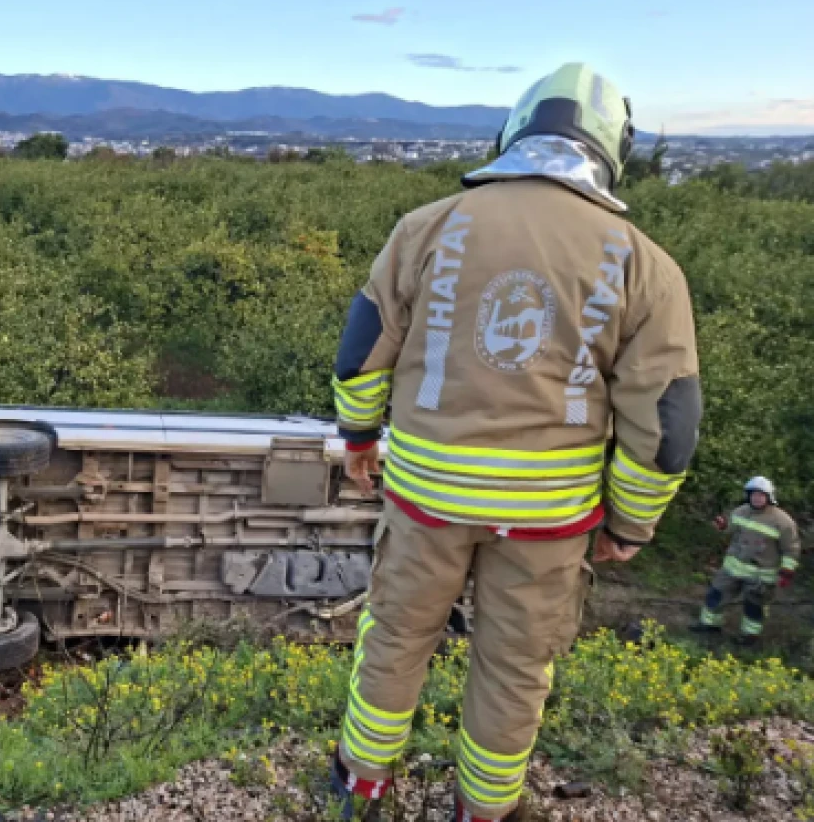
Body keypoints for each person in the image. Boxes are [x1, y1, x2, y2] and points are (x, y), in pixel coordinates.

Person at [327, 63, 702, 822]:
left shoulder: (427, 227)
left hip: (428, 499)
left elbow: (361, 355)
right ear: (610, 150)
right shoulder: (644, 264)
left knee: (396, 635)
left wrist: (361, 438)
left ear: (513, 132)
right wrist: (629, 523)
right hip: (546, 519)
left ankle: (361, 786)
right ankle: (485, 809)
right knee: (515, 667)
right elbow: (665, 425)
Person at [691, 476, 800, 647]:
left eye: (761, 495)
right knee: (715, 595)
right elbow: (730, 529)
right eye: (753, 494)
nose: (756, 498)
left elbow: (791, 548)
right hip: (732, 568)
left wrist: (787, 570)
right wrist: (722, 526)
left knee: (754, 607)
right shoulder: (741, 511)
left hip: (761, 574)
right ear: (748, 495)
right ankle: (709, 625)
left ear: (769, 497)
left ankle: (749, 637)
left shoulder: (783, 522)